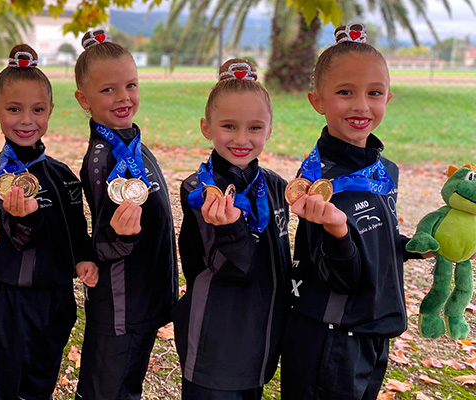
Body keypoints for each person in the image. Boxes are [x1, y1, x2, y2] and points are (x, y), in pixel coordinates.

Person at [280, 23, 421, 400]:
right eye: (345, 93)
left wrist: (416, 245)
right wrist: (336, 230)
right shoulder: (315, 185)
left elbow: (377, 239)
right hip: (331, 336)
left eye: (374, 93)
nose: (361, 105)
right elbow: (337, 277)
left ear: (388, 99)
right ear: (318, 101)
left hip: (374, 328)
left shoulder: (382, 169)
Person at [0, 44, 98, 400]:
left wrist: (84, 257)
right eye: (14, 109)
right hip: (13, 297)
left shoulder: (64, 175)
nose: (26, 120)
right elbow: (19, 236)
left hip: (57, 297)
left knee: (41, 378)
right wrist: (27, 216)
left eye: (37, 110)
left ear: (51, 111)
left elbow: (76, 229)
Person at [174, 59, 291, 400]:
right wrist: (229, 231)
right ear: (206, 127)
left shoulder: (275, 186)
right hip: (216, 343)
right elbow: (229, 268)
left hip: (261, 339)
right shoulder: (199, 190)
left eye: (255, 128)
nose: (242, 139)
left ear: (270, 129)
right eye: (229, 126)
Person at [72, 29, 178, 400]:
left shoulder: (131, 141)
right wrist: (121, 236)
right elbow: (103, 243)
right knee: (108, 389)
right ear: (83, 99)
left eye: (130, 85)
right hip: (121, 306)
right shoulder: (102, 159)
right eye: (108, 90)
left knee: (127, 384)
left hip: (144, 295)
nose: (123, 97)